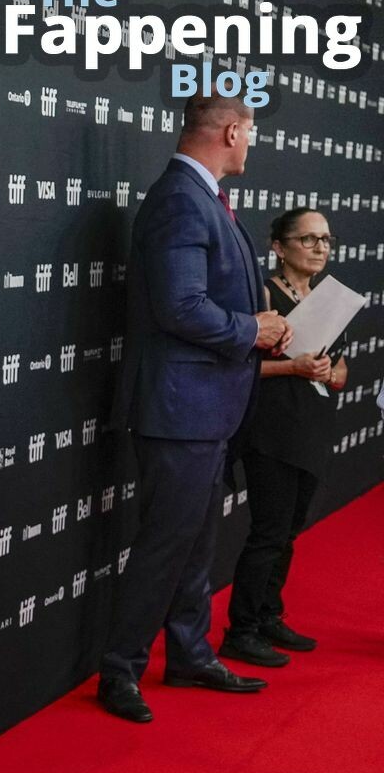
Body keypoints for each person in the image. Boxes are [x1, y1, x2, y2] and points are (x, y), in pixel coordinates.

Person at [97, 96, 294, 724]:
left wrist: (257, 327)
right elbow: (179, 307)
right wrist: (252, 329)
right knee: (165, 545)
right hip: (179, 410)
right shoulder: (181, 199)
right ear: (232, 131)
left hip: (208, 410)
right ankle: (120, 670)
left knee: (195, 543)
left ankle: (188, 653)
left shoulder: (205, 199)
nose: (251, 143)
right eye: (251, 132)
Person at [221, 208, 350, 666]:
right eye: (308, 239)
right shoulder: (262, 295)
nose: (320, 248)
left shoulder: (329, 299)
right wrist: (294, 367)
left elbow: (341, 371)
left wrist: (328, 371)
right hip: (269, 431)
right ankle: (241, 630)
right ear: (279, 247)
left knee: (289, 532)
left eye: (326, 240)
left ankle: (268, 615)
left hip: (309, 427)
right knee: (269, 532)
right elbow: (237, 366)